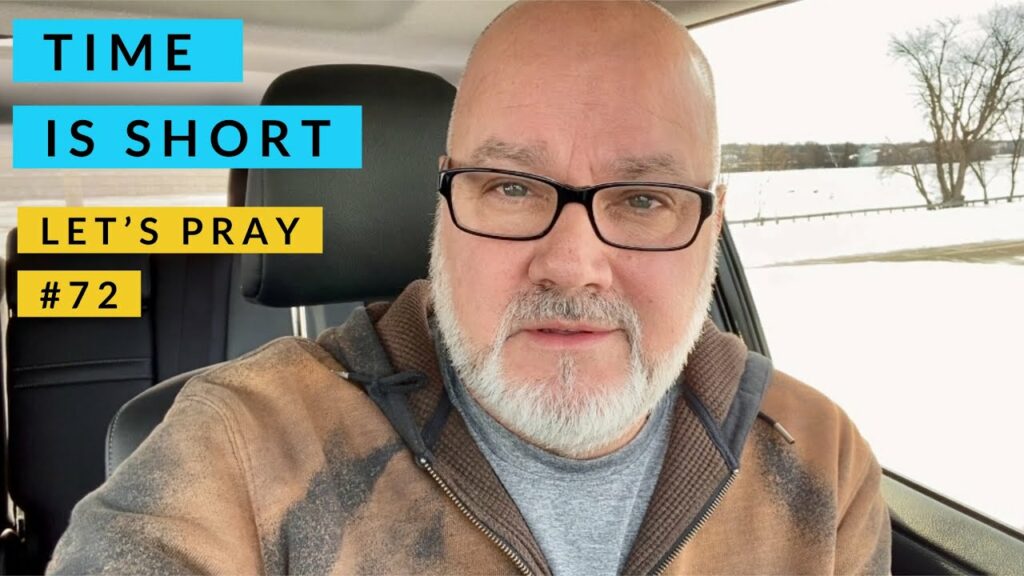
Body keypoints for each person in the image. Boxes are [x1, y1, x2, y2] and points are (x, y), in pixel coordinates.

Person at [48, 1, 891, 574]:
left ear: (711, 223)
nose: (571, 264)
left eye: (643, 200)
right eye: (513, 187)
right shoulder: (237, 446)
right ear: (446, 200)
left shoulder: (819, 457)